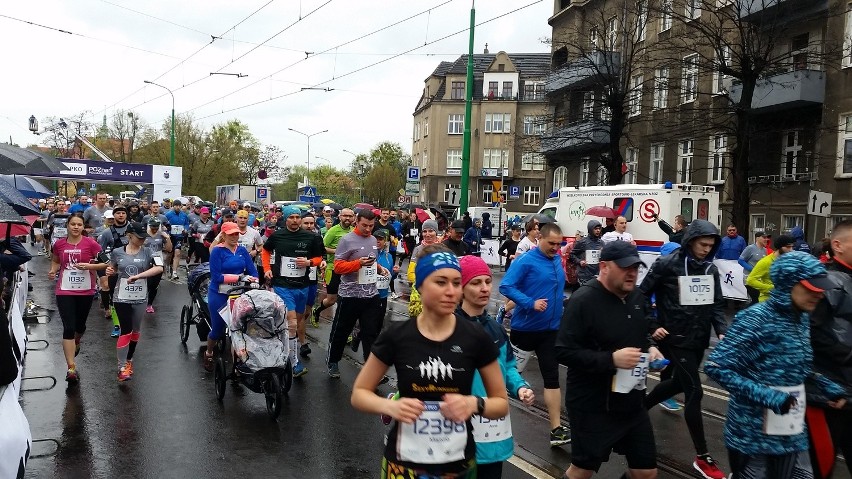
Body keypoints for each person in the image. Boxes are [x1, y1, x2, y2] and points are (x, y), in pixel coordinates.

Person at [350, 244, 509, 478]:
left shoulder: (476, 338)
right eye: (441, 282)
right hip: (404, 466)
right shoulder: (397, 336)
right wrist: (390, 406)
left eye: (456, 283)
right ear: (421, 285)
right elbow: (360, 393)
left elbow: (501, 403)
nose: (451, 291)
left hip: (458, 467)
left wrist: (474, 404)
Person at [705, 252, 847, 479]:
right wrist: (769, 397)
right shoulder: (755, 319)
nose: (819, 294)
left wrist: (825, 386)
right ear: (788, 284)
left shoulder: (801, 318)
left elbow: (794, 368)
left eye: (821, 288)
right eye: (811, 287)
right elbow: (716, 367)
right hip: (752, 437)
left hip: (790, 432)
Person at [556, 241, 664, 479]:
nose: (632, 273)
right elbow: (563, 351)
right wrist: (611, 359)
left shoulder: (637, 297)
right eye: (625, 267)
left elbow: (642, 332)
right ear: (604, 266)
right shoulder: (583, 300)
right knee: (582, 471)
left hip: (632, 401)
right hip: (593, 404)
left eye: (636, 267)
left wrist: (651, 349)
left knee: (645, 472)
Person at [639, 219, 728, 479]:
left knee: (678, 383)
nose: (706, 249)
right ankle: (702, 456)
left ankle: (637, 409)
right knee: (694, 391)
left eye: (711, 245)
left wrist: (721, 330)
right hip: (674, 338)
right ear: (690, 241)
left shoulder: (711, 269)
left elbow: (717, 304)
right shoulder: (667, 264)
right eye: (702, 244)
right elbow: (642, 295)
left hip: (699, 339)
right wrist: (653, 325)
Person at [457, 255, 535, 477]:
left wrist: (520, 387)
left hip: (492, 430)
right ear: (461, 288)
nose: (484, 288)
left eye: (488, 282)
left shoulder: (496, 329)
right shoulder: (449, 328)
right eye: (475, 282)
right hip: (459, 432)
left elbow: (508, 366)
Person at [499, 222, 570, 447]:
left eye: (559, 244)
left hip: (550, 331)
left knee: (551, 378)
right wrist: (530, 303)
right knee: (507, 380)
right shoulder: (525, 260)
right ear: (539, 238)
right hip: (525, 330)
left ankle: (556, 430)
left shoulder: (557, 259)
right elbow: (506, 286)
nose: (555, 248)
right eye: (551, 244)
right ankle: (487, 420)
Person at [808, 220, 852, 478]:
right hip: (829, 394)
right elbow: (811, 334)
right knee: (821, 467)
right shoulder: (825, 282)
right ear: (838, 245)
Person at [261, 206, 324, 378]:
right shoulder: (277, 235)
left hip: (302, 286)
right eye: (292, 217)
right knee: (292, 322)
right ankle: (294, 362)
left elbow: (319, 258)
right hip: (282, 284)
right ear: (286, 219)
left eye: (297, 217)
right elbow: (265, 250)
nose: (295, 220)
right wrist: (267, 268)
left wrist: (309, 262)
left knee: (297, 320)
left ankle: (284, 347)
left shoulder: (311, 237)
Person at [326, 209, 390, 378]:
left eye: (371, 225)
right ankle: (333, 361)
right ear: (356, 221)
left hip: (370, 294)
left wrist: (379, 268)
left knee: (371, 332)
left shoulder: (373, 240)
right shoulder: (347, 240)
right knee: (341, 330)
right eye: (364, 225)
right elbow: (339, 267)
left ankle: (371, 370)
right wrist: (357, 264)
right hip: (350, 295)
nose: (368, 229)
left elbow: (371, 259)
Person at [47, 215, 107, 383]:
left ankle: (77, 339)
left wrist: (90, 266)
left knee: (79, 326)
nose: (75, 227)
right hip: (64, 290)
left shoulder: (91, 243)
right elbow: (56, 260)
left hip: (86, 291)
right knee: (68, 327)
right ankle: (71, 368)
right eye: (72, 224)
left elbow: (107, 263)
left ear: (83, 227)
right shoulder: (59, 244)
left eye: (79, 224)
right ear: (67, 225)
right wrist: (53, 270)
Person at [105, 222, 163, 381]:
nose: (142, 240)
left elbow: (159, 268)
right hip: (121, 296)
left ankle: (129, 360)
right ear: (129, 235)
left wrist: (139, 276)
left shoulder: (148, 251)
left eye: (144, 237)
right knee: (126, 330)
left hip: (140, 296)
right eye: (139, 237)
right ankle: (121, 367)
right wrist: (110, 270)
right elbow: (112, 268)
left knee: (136, 331)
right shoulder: (117, 252)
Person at [204, 221, 258, 371]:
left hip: (238, 294)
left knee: (238, 328)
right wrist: (240, 278)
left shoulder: (242, 251)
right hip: (219, 294)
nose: (235, 236)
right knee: (217, 330)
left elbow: (253, 272)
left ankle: (237, 364)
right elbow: (216, 277)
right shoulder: (217, 251)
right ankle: (209, 352)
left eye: (237, 234)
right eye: (231, 234)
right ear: (223, 235)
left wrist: (255, 280)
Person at [311, 208, 354, 325]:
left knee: (345, 300)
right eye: (345, 216)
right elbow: (322, 248)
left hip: (349, 270)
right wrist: (338, 251)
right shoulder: (333, 231)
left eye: (350, 216)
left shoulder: (354, 231)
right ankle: (317, 311)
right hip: (333, 269)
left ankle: (343, 329)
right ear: (340, 217)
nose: (347, 218)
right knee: (331, 300)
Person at [298, 213, 326, 359]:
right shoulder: (295, 238)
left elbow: (323, 254)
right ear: (300, 223)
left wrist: (323, 262)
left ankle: (296, 330)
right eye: (306, 223)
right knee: (300, 313)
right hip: (296, 279)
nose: (309, 226)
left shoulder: (317, 238)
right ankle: (302, 343)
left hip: (312, 278)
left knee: (307, 311)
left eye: (311, 223)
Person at [406, 219, 440, 320]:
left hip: (437, 293)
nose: (427, 234)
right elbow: (411, 273)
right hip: (420, 292)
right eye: (425, 231)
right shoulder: (418, 249)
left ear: (436, 232)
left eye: (431, 231)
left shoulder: (442, 249)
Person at [746, 235, 795, 302]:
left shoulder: (790, 261)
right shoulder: (765, 262)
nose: (791, 250)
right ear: (779, 247)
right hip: (768, 302)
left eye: (792, 247)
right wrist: (770, 288)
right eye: (788, 247)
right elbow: (750, 280)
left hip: (784, 302)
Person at [142, 218, 172, 314]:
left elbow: (169, 249)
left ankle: (149, 304)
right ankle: (141, 302)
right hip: (146, 259)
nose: (154, 229)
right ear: (149, 225)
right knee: (146, 282)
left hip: (158, 259)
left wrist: (167, 238)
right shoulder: (144, 235)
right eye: (152, 226)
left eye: (156, 226)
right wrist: (143, 244)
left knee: (155, 284)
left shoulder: (161, 235)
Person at [570, 220, 605, 285]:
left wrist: (603, 253)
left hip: (597, 274)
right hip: (584, 275)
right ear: (590, 229)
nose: (598, 231)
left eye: (599, 229)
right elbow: (572, 254)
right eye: (595, 229)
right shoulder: (582, 242)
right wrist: (579, 261)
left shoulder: (602, 243)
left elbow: (604, 258)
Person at [738, 232, 768, 304]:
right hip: (749, 278)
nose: (766, 239)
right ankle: (744, 314)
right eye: (763, 237)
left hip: (759, 279)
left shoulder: (765, 250)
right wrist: (752, 269)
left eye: (766, 237)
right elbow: (740, 261)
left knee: (757, 300)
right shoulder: (750, 248)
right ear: (757, 238)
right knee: (755, 299)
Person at [165, 199, 190, 280]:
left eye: (179, 206)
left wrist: (186, 229)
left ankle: (175, 272)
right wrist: (167, 231)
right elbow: (164, 224)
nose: (178, 207)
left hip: (179, 236)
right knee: (169, 253)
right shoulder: (168, 214)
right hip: (170, 236)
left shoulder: (184, 215)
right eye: (176, 206)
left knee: (177, 253)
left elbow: (186, 224)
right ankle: (168, 266)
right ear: (173, 206)